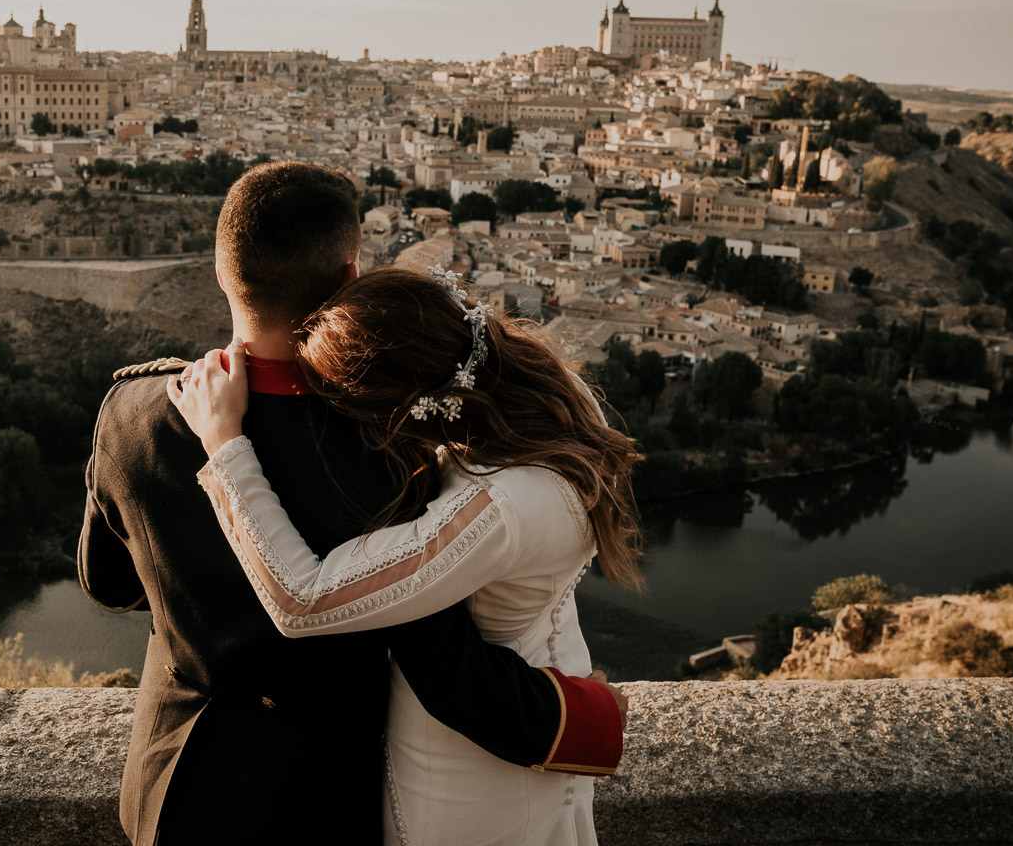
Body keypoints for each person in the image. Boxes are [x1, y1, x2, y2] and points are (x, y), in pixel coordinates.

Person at [80, 162, 627, 846]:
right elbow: (441, 661)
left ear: (221, 274)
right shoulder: (396, 454)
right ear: (348, 280)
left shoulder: (130, 411)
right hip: (321, 796)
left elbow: (107, 584)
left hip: (173, 785)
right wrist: (583, 721)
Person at [168, 263, 644, 846]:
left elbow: (304, 599)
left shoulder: (495, 511)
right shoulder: (550, 392)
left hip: (468, 765)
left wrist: (224, 445)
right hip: (539, 683)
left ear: (401, 408)